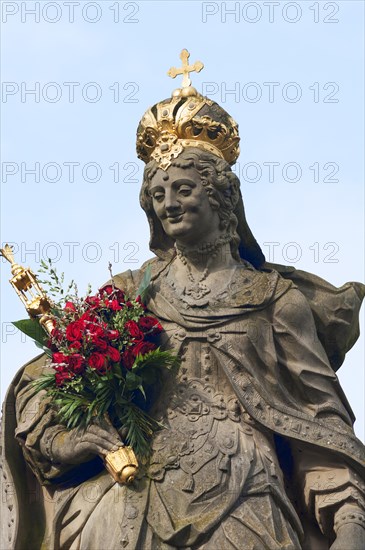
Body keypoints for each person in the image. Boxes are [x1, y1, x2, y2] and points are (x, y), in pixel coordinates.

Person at [1, 54, 365, 550]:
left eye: (183, 189)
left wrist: (349, 520)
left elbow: (319, 421)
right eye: (157, 193)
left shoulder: (276, 301)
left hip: (244, 493)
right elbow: (50, 375)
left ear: (221, 198)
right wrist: (71, 436)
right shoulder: (131, 293)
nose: (168, 203)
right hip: (134, 496)